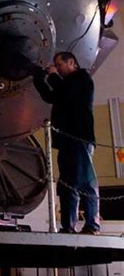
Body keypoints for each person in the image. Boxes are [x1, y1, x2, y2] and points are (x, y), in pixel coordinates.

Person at [33, 52, 100, 235]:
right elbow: (51, 96)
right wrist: (38, 79)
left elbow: (64, 92)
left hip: (80, 139)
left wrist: (52, 75)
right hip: (67, 141)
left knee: (85, 181)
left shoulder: (82, 79)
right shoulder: (66, 84)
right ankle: (68, 226)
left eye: (59, 64)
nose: (58, 68)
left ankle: (92, 225)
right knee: (68, 183)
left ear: (72, 63)